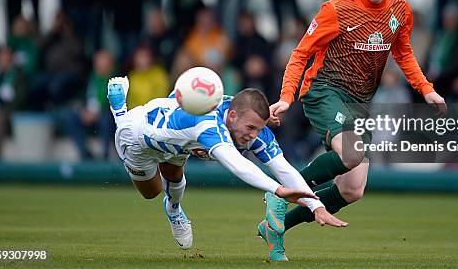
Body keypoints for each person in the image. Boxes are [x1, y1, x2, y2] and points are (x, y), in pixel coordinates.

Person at [263, 0, 446, 260]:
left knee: (352, 189)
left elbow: (403, 52)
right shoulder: (336, 9)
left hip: (359, 103)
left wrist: (425, 89)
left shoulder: (400, 9)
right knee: (352, 151)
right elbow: (301, 54)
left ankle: (276, 227)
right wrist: (286, 97)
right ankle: (281, 193)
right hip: (324, 91)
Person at [107, 78, 346, 254]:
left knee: (173, 171)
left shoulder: (246, 120)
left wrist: (316, 206)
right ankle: (119, 111)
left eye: (259, 128)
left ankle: (173, 210)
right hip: (137, 138)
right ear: (231, 117)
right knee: (151, 192)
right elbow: (238, 165)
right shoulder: (208, 127)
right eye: (251, 128)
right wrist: (279, 191)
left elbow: (283, 168)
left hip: (178, 143)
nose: (253, 136)